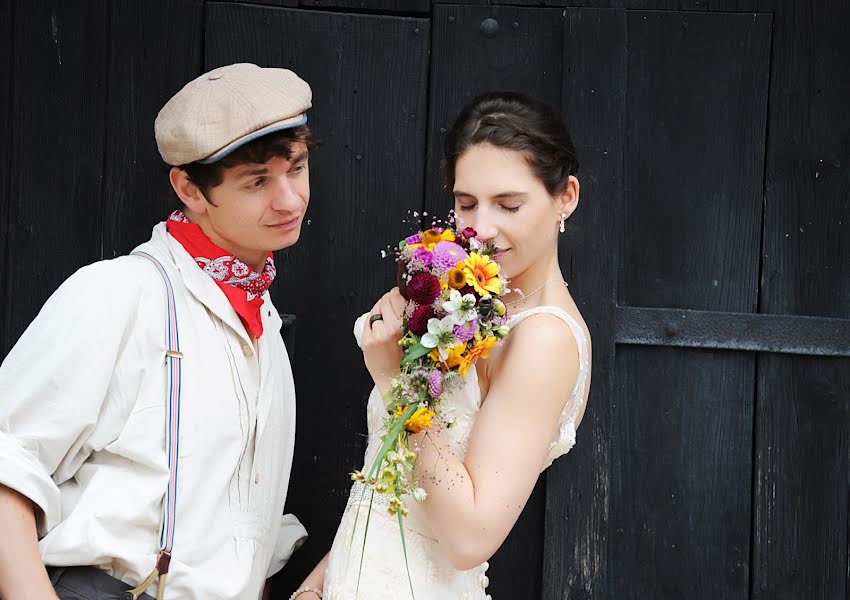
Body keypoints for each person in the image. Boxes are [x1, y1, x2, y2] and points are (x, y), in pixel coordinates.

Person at [0, 62, 312, 600]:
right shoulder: (117, 293)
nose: (289, 199)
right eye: (258, 181)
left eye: (298, 168)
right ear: (189, 188)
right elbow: (8, 466)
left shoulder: (262, 326)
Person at [293, 91, 592, 599]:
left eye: (509, 204)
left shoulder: (544, 339)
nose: (481, 228)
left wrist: (392, 379)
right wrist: (316, 586)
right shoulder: (471, 303)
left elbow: (469, 536)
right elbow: (394, 489)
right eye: (465, 203)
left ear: (565, 197)